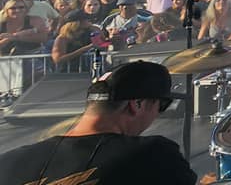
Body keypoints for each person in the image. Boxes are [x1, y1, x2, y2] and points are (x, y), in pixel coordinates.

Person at [0, 61, 199, 185]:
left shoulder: (7, 162)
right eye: (161, 105)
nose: (157, 114)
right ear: (137, 104)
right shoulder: (154, 153)